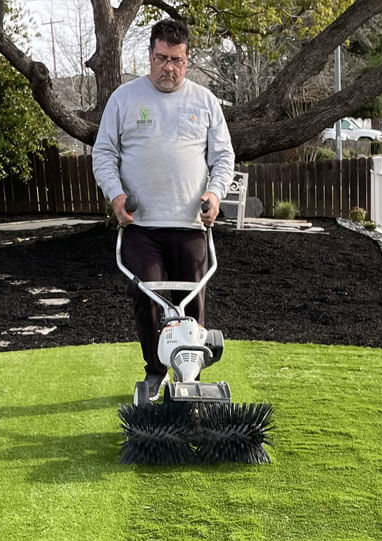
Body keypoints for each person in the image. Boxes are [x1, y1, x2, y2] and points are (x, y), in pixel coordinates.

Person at [91, 19, 236, 398]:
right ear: (150, 56)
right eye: (160, 58)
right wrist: (116, 195)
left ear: (187, 60)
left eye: (176, 60)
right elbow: (104, 153)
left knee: (192, 301)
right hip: (141, 226)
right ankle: (155, 370)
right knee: (147, 297)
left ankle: (192, 378)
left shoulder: (204, 101)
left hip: (190, 224)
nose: (168, 67)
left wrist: (216, 195)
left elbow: (223, 157)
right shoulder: (124, 98)